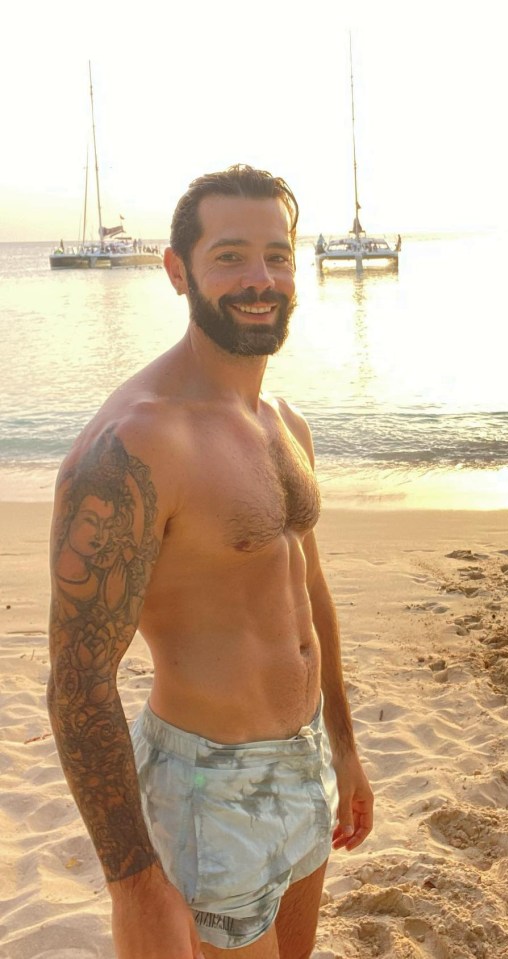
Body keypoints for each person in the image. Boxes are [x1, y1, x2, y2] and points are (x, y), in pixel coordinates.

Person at [47, 164, 374, 959]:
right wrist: (133, 879)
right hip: (206, 786)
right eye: (229, 256)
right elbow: (77, 682)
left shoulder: (281, 419)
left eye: (277, 255)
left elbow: (309, 588)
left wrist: (344, 742)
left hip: (302, 761)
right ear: (176, 269)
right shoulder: (137, 444)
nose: (260, 279)